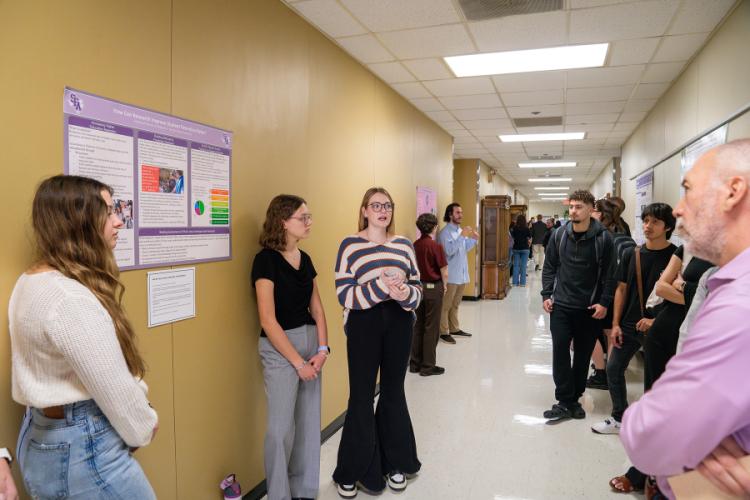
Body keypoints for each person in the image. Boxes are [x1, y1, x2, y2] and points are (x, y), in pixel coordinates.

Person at [9, 175, 158, 498]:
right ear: (78, 221)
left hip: (43, 434)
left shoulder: (31, 280)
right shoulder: (69, 299)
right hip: (82, 443)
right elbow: (114, 389)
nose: (118, 221)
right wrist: (145, 423)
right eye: (108, 212)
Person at [621, 139, 750, 499]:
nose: (678, 210)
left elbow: (648, 434)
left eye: (688, 190)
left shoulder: (740, 306)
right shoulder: (724, 283)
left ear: (733, 192)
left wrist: (649, 418)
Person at [332, 187, 422, 497]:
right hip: (363, 323)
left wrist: (404, 295)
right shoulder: (349, 245)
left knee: (394, 393)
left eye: (387, 205)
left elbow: (417, 288)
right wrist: (381, 287)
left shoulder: (404, 245)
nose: (382, 210)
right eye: (376, 205)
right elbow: (344, 293)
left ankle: (394, 463)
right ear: (365, 210)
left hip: (398, 322)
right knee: (361, 397)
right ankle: (353, 470)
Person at [251, 194, 328, 500]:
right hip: (280, 349)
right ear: (283, 221)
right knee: (281, 429)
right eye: (302, 217)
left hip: (311, 343)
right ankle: (280, 494)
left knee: (309, 426)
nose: (309, 222)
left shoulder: (305, 259)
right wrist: (298, 363)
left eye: (309, 217)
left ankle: (304, 491)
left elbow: (319, 310)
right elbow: (268, 321)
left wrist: (323, 350)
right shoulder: (265, 261)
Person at [591, 203, 676, 436]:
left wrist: (656, 321)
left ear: (667, 226)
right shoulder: (632, 253)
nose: (648, 226)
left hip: (659, 327)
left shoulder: (675, 256)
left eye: (655, 222)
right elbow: (621, 290)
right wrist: (616, 323)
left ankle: (655, 423)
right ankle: (619, 416)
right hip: (628, 324)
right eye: (645, 221)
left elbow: (679, 298)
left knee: (657, 377)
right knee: (614, 368)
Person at [541, 190, 616, 422]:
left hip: (589, 309)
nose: (574, 210)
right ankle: (564, 400)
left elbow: (611, 275)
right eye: (572, 206)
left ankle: (575, 398)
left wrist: (604, 303)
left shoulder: (603, 238)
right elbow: (550, 266)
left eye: (579, 206)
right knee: (561, 352)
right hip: (561, 306)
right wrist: (546, 293)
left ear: (591, 209)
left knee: (583, 356)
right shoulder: (559, 235)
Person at [587, 198, 636, 391]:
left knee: (589, 333)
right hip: (620, 293)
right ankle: (612, 370)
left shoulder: (601, 237)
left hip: (602, 293)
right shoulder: (624, 232)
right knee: (610, 332)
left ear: (601, 214)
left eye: (593, 211)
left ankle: (601, 374)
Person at [410, 213, 449, 377]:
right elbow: (444, 271)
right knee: (431, 328)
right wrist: (445, 286)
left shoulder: (413, 245)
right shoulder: (435, 246)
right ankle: (428, 366)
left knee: (417, 326)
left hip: (417, 288)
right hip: (433, 289)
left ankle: (415, 363)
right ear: (434, 227)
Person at [437, 203, 478, 344]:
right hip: (451, 275)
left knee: (455, 304)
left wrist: (474, 239)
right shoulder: (445, 233)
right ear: (450, 215)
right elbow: (449, 251)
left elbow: (464, 248)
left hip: (461, 275)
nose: (461, 215)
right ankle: (443, 331)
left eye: (461, 212)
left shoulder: (459, 231)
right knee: (446, 305)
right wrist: (462, 236)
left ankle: (454, 328)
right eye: (457, 213)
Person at [511, 214, 532, 287]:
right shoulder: (526, 228)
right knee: (523, 266)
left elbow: (512, 237)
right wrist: (528, 244)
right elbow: (529, 237)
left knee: (516, 266)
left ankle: (515, 282)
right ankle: (522, 283)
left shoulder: (514, 228)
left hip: (516, 248)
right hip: (525, 248)